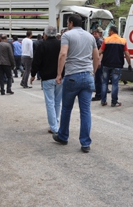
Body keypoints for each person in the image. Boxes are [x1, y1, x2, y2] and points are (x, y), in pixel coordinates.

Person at [52, 14, 99, 153]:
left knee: (66, 108)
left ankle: (63, 136)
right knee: (85, 111)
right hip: (87, 76)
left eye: (67, 22)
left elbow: (63, 54)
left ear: (71, 23)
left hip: (72, 76)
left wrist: (59, 74)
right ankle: (85, 143)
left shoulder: (67, 35)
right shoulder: (90, 37)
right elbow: (96, 57)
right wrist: (93, 72)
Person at [31, 25, 63, 134]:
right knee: (58, 102)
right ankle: (56, 123)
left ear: (45, 35)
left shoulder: (42, 45)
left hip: (47, 77)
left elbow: (36, 61)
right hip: (60, 76)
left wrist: (33, 74)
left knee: (50, 102)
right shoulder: (61, 44)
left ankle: (53, 126)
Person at [99, 25, 131, 107]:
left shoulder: (106, 40)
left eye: (109, 31)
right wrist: (129, 64)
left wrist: (95, 59)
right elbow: (127, 54)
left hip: (106, 64)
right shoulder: (123, 41)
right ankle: (114, 102)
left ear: (112, 31)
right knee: (115, 84)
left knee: (104, 82)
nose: (108, 33)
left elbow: (100, 51)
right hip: (117, 65)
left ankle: (103, 101)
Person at [91, 28, 104, 101]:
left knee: (98, 79)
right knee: (97, 78)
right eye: (93, 33)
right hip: (96, 61)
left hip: (98, 62)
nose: (94, 35)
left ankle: (99, 95)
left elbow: (101, 52)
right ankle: (99, 93)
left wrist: (99, 61)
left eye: (95, 33)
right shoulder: (96, 40)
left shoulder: (99, 41)